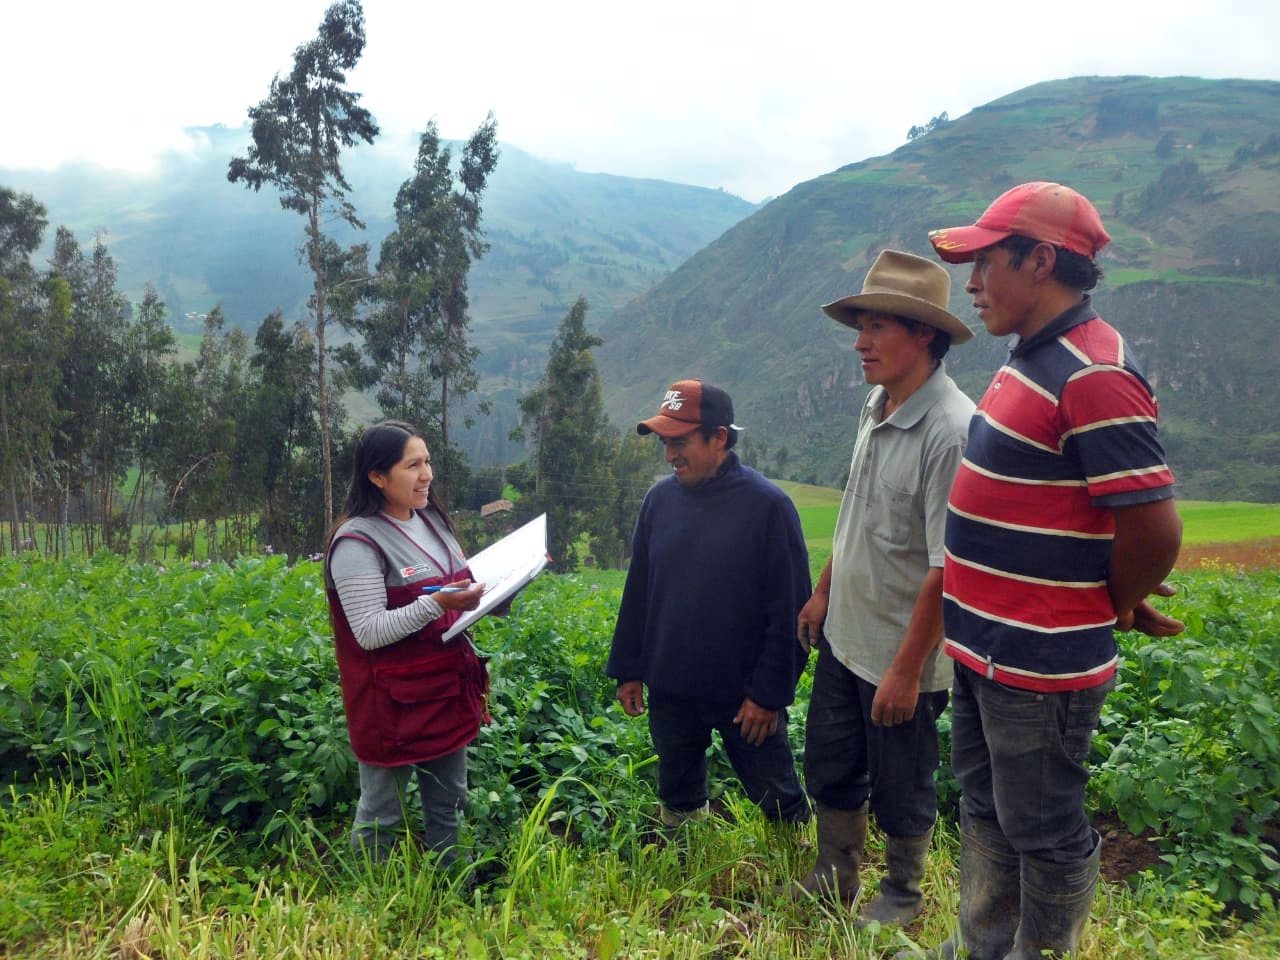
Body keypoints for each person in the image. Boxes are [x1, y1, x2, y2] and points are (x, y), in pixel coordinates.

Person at [917, 182, 1184, 959]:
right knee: (988, 807)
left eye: (985, 264)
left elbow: (1153, 526)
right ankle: (985, 944)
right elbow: (1067, 503)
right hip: (983, 648)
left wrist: (1115, 598)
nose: (970, 284)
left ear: (1040, 260)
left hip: (1036, 663)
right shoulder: (1032, 357)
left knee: (1043, 826)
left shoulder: (1095, 372)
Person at [793, 250, 975, 924]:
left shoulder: (950, 431)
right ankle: (833, 872)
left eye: (878, 328)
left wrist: (906, 670)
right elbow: (857, 510)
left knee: (903, 783)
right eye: (859, 328)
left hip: (903, 655)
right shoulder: (879, 405)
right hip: (848, 634)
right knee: (833, 760)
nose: (861, 344)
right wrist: (823, 590)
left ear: (924, 334)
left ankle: (902, 893)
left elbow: (945, 566)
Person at [606, 379, 812, 833]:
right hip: (671, 688)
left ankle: (807, 867)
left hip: (743, 698)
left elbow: (791, 614)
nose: (669, 455)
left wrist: (768, 695)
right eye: (665, 443)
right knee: (677, 792)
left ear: (718, 437)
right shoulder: (659, 501)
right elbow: (640, 589)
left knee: (778, 797)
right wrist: (630, 668)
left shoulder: (768, 508)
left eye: (679, 442)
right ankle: (685, 866)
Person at [324, 419, 489, 864]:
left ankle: (454, 890)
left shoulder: (433, 521)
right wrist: (436, 605)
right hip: (390, 703)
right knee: (382, 812)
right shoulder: (357, 541)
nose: (427, 474)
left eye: (428, 462)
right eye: (412, 465)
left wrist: (497, 593)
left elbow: (462, 592)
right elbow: (370, 631)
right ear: (377, 477)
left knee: (450, 802)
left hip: (445, 690)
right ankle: (369, 907)